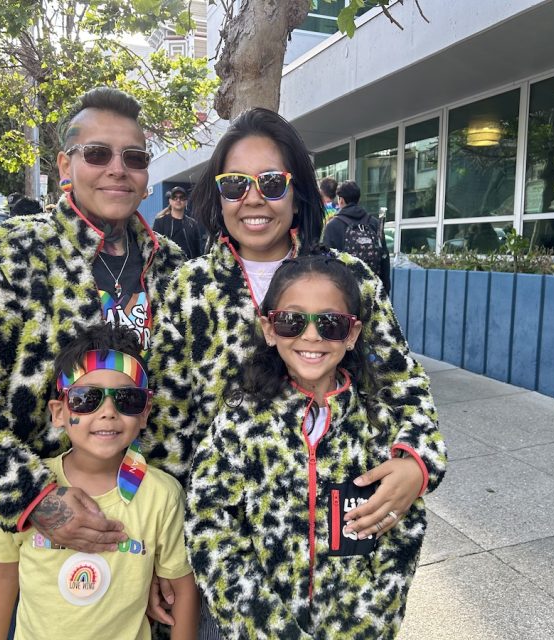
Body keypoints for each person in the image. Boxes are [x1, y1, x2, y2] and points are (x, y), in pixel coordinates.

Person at [145, 107, 445, 630]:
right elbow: (167, 435)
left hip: (342, 563)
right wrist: (161, 552)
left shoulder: (349, 277)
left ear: (298, 190)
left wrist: (417, 462)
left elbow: (403, 384)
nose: (253, 198)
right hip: (227, 560)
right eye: (235, 183)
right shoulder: (188, 288)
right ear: (218, 195)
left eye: (271, 182)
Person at [0, 86, 187, 565]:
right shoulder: (8, 255)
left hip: (143, 529)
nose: (117, 168)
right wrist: (34, 499)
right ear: (65, 167)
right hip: (34, 542)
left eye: (135, 157)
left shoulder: (174, 267)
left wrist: (168, 542)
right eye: (97, 154)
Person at [186, 253, 428, 638]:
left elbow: (402, 531)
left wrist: (367, 626)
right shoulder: (238, 421)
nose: (311, 336)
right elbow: (209, 524)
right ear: (269, 329)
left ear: (351, 334)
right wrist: (267, 628)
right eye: (291, 321)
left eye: (330, 323)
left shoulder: (377, 427)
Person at [0, 323, 199, 640]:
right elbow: (2, 578)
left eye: (126, 399)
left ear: (145, 412)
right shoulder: (27, 490)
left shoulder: (161, 495)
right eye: (86, 398)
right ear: (59, 412)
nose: (107, 412)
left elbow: (182, 589)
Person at [322, 179, 391, 293]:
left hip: (345, 294)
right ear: (358, 199)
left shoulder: (333, 225)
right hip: (372, 291)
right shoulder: (374, 223)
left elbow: (327, 263)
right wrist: (385, 291)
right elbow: (384, 257)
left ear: (341, 200)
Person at [152, 186, 206, 259]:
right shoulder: (160, 222)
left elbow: (198, 251)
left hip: (188, 267)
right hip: (168, 266)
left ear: (186, 202)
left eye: (181, 197)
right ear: (170, 201)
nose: (178, 200)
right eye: (175, 197)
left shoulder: (192, 224)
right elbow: (155, 248)